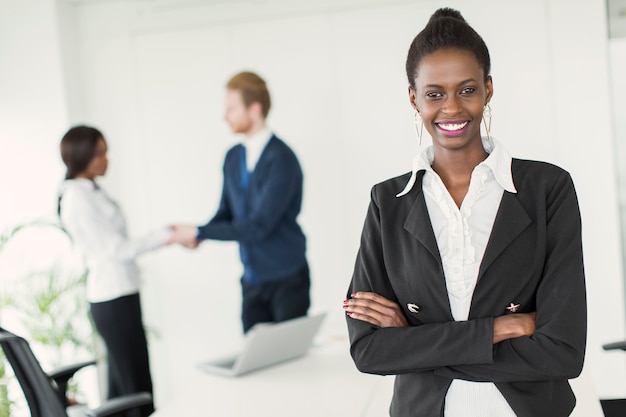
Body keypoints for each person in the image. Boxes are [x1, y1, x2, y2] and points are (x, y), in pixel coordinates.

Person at [343, 8, 586, 417]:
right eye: (434, 93)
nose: (451, 108)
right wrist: (498, 329)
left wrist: (414, 343)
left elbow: (562, 352)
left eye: (467, 90)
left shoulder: (547, 189)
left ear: (488, 90)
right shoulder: (388, 201)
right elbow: (368, 351)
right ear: (413, 98)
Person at [172, 71, 310, 333]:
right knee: (255, 362)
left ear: (255, 109)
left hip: (287, 278)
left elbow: (259, 226)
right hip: (252, 279)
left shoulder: (282, 159)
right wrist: (199, 235)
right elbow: (226, 212)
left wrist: (200, 231)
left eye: (231, 109)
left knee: (289, 366)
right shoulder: (233, 157)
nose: (225, 116)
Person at [58, 125, 174, 417]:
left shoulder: (91, 191)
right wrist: (166, 235)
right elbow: (117, 249)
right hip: (112, 297)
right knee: (135, 387)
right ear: (82, 156)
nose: (106, 159)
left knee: (126, 384)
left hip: (122, 293)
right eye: (99, 153)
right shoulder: (77, 198)